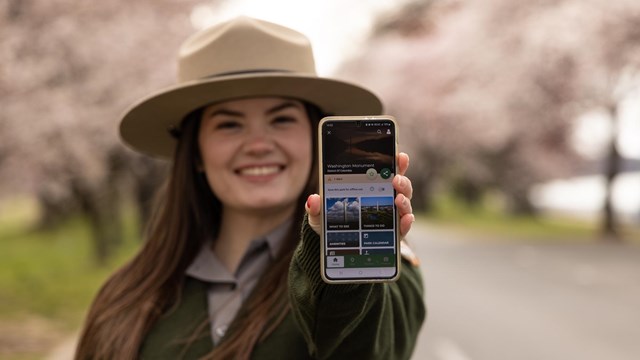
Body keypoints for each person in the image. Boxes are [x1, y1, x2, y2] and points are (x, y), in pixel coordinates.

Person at [75, 16, 425, 360]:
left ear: (315, 138)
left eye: (282, 119)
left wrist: (340, 251)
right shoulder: (126, 295)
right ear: (195, 151)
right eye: (229, 124)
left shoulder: (381, 273)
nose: (259, 144)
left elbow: (367, 347)